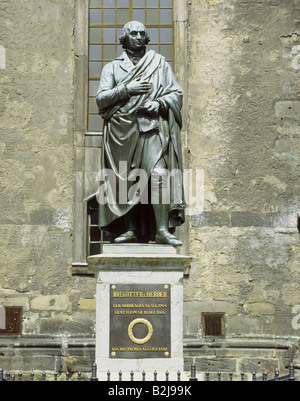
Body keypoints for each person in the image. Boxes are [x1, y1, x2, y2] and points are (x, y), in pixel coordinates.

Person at [96, 21, 185, 246]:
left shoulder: (159, 64)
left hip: (150, 129)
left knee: (160, 175)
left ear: (146, 38)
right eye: (132, 33)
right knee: (127, 180)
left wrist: (160, 104)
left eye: (141, 33)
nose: (137, 37)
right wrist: (127, 89)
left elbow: (176, 93)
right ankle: (129, 229)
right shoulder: (112, 68)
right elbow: (101, 100)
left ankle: (162, 230)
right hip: (121, 131)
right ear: (124, 39)